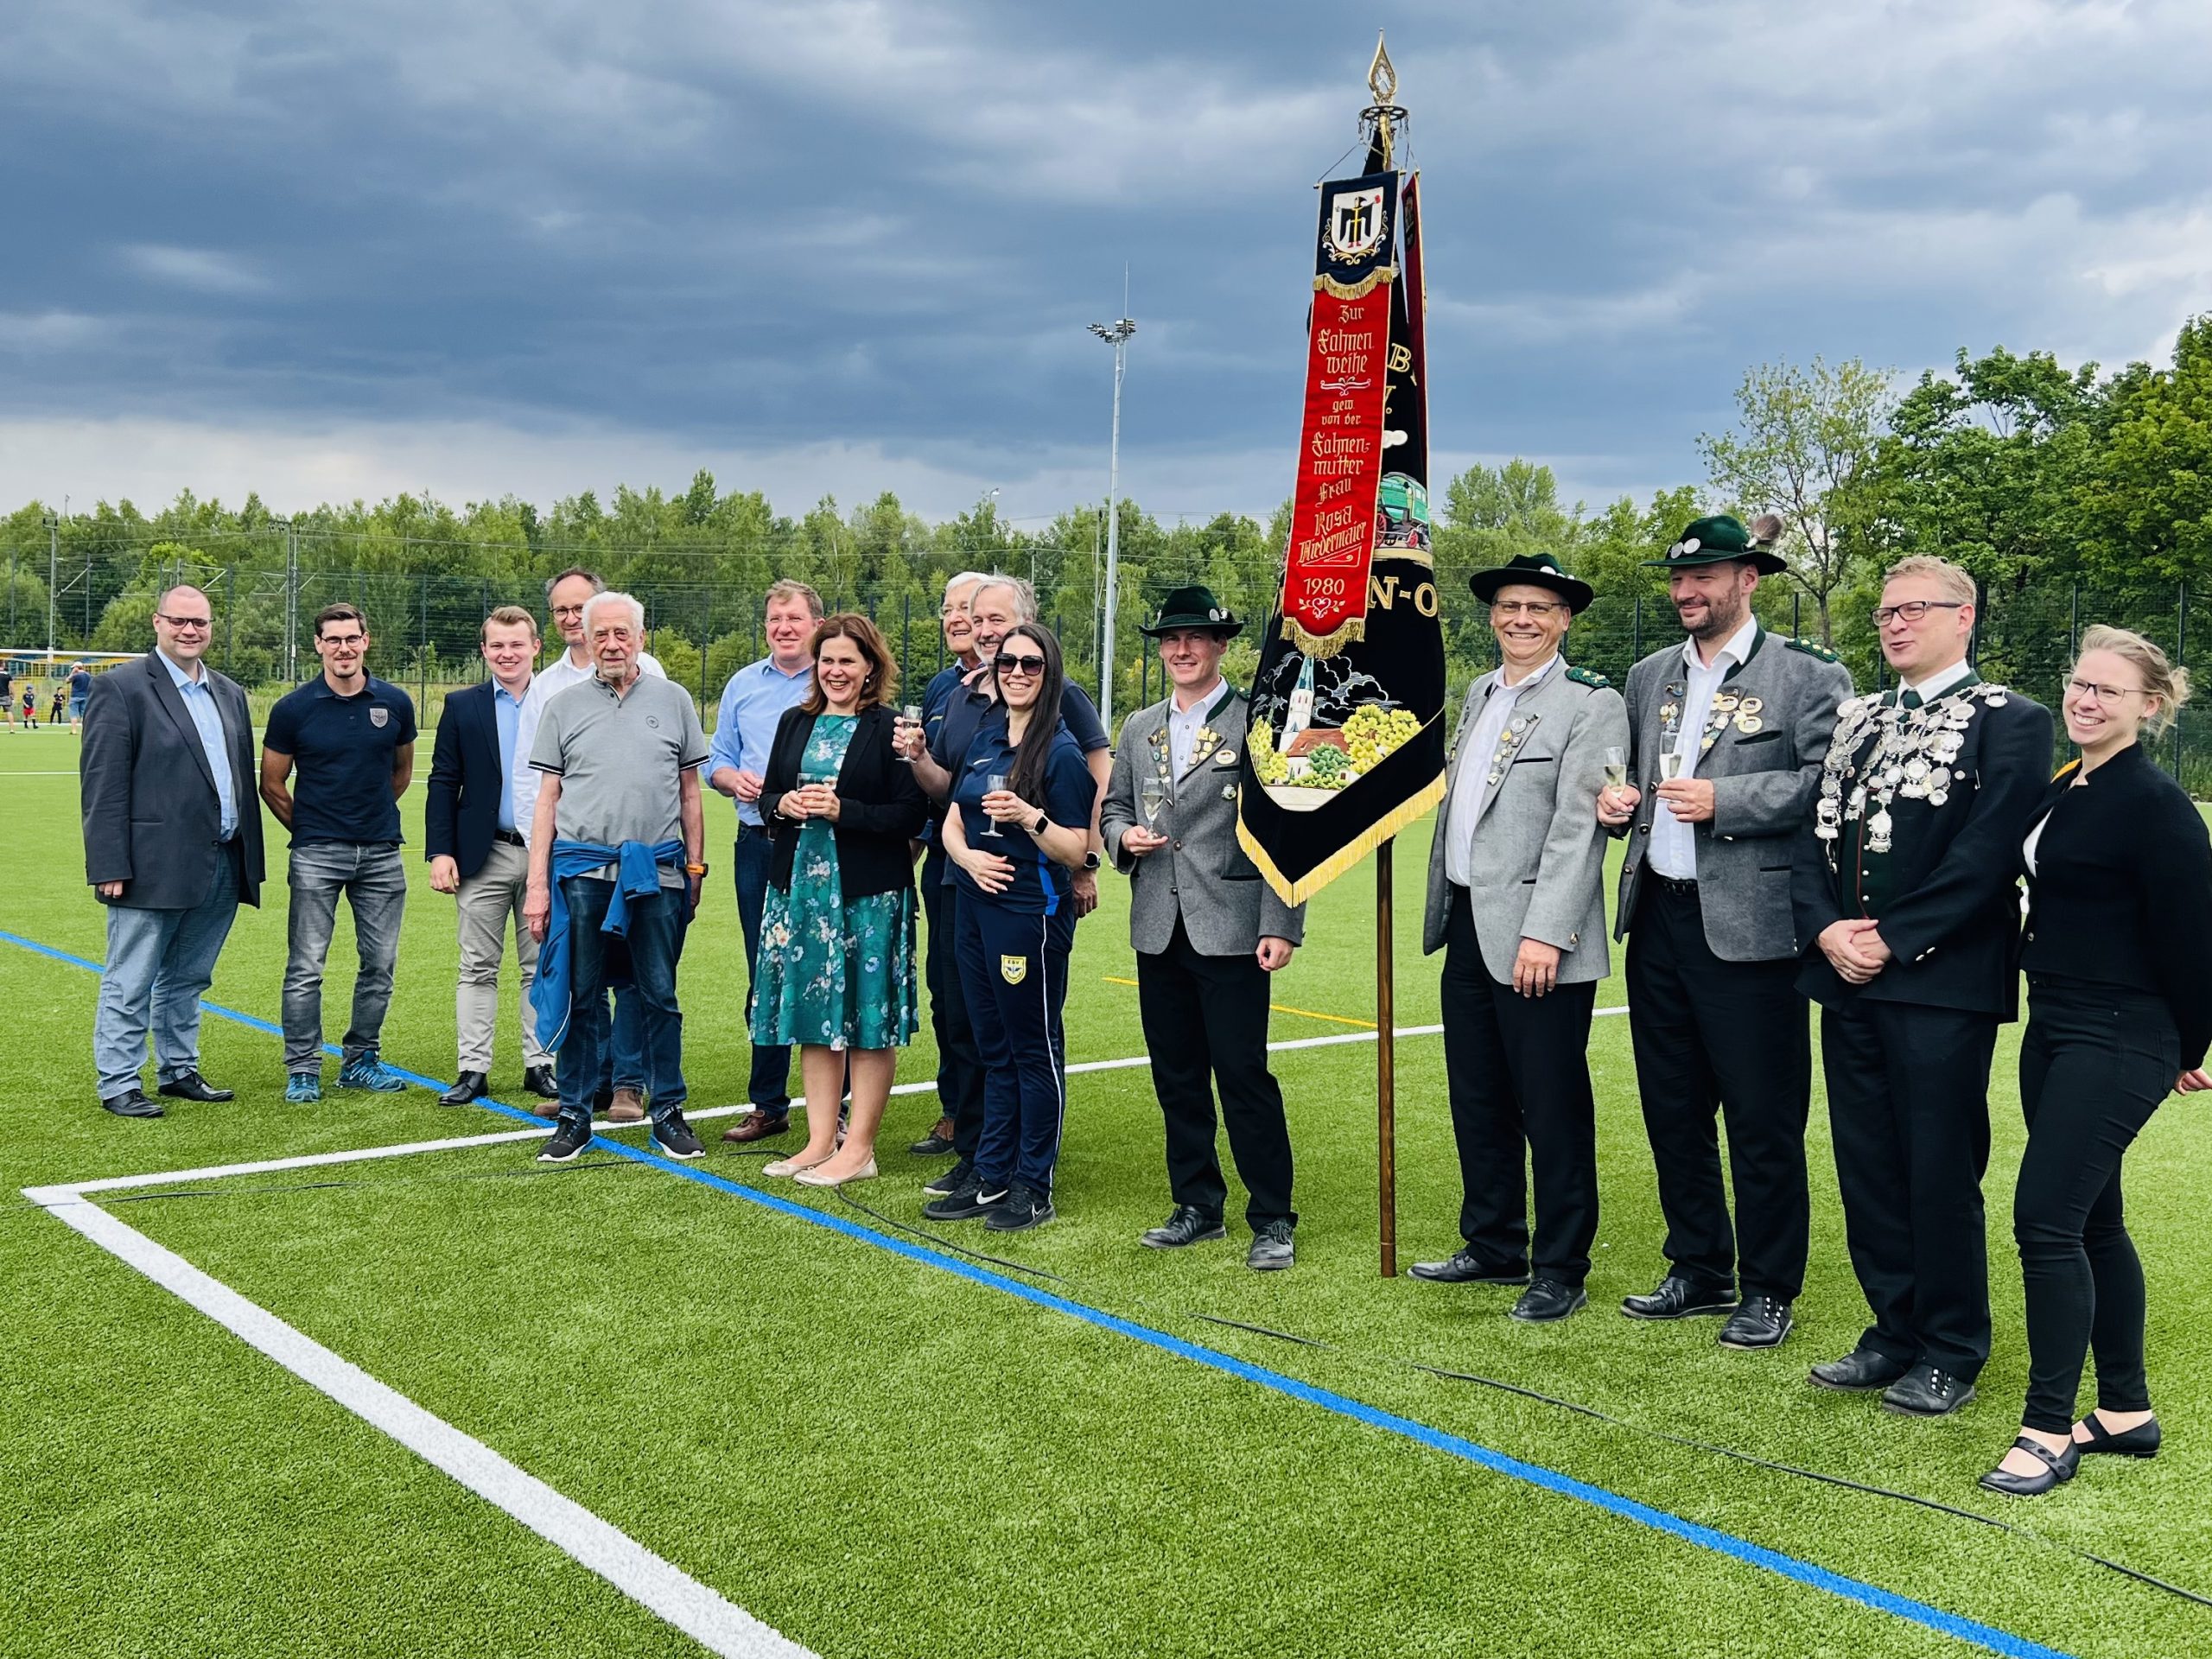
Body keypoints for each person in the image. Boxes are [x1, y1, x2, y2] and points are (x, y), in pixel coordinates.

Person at [1795, 556, 2053, 1417]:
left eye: (1913, 610)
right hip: (1847, 977)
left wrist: (1892, 940)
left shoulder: (2009, 720)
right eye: (1884, 614)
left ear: (1962, 617)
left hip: (1941, 984)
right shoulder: (1856, 717)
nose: (1895, 624)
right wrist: (1828, 928)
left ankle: (1950, 1346)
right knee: (1867, 1164)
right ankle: (1891, 1333)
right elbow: (1812, 834)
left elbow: (1986, 854)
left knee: (1938, 1168)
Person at [1597, 515, 1854, 1351]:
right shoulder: (1648, 676)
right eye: (1677, 580)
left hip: (1755, 929)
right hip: (1660, 918)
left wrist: (1731, 803)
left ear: (1749, 578)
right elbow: (1631, 781)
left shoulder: (1809, 678)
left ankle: (1770, 1287)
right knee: (1673, 1110)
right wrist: (1614, 809)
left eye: (1704, 577)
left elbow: (1831, 787)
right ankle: (1699, 1266)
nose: (1685, 593)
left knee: (1761, 1117)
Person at [1979, 629, 2212, 1495]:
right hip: (2057, 1024)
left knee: (2043, 1219)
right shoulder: (2067, 785)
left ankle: (2047, 1428)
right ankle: (2122, 1410)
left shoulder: (2154, 805)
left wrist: (2190, 1046)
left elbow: (2193, 939)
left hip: (2124, 1032)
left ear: (2149, 707)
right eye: (2078, 683)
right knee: (2091, 1221)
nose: (2084, 700)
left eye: (2107, 691)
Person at [1410, 553, 1627, 1322]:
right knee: (1479, 1096)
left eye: (1539, 607)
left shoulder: (1588, 705)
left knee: (1552, 1104)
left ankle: (1560, 1266)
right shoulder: (1479, 692)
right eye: (1509, 607)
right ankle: (1495, 1242)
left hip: (1539, 939)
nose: (1522, 619)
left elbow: (1579, 830)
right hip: (1468, 923)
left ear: (1564, 619)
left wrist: (1547, 933)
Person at [1100, 586, 1306, 1271]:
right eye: (1170, 639)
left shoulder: (1255, 721)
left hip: (1235, 927)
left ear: (1222, 645)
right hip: (1159, 924)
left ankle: (1272, 1216)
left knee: (1243, 1075)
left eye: (1195, 638)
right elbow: (1116, 807)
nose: (1182, 650)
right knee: (1177, 1076)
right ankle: (1196, 1204)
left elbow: (1286, 827)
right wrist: (1123, 836)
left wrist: (1282, 921)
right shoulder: (1138, 726)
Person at [899, 575, 1110, 1200]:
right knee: (984, 1034)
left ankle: (1031, 1177)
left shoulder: (1061, 741)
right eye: (1009, 659)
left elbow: (1079, 825)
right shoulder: (981, 723)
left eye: (1029, 661)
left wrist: (1052, 838)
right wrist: (962, 857)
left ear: (1047, 670)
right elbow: (956, 808)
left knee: (1030, 1043)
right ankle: (990, 1166)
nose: (1015, 667)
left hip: (1029, 905)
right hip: (969, 900)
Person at [524, 591, 710, 1164]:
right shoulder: (563, 706)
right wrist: (537, 886)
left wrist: (696, 868)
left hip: (657, 874)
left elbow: (689, 792)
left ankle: (669, 1112)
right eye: (599, 633)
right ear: (584, 637)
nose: (610, 643)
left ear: (640, 637)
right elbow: (547, 800)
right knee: (583, 997)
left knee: (659, 995)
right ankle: (576, 1117)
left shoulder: (674, 700)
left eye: (621, 633)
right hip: (582, 874)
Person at [750, 614, 928, 1184]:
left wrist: (842, 811)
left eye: (848, 661)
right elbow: (768, 797)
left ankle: (861, 1150)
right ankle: (820, 1141)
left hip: (867, 897)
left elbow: (911, 813)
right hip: (800, 891)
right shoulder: (793, 722)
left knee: (867, 1021)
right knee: (812, 1015)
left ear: (871, 666)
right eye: (827, 660)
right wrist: (785, 806)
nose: (836, 671)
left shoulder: (891, 728)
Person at [79, 588, 265, 1116]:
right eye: (180, 621)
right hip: (153, 863)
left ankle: (178, 1069)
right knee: (132, 975)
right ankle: (118, 1080)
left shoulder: (229, 692)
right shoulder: (120, 689)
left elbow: (235, 780)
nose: (190, 630)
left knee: (189, 976)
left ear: (211, 627)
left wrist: (249, 857)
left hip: (224, 860)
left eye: (200, 622)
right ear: (158, 623)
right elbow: (102, 785)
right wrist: (110, 863)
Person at [513, 567, 666, 1122]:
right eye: (563, 610)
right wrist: (541, 863)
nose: (575, 619)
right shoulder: (547, 687)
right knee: (583, 977)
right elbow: (534, 784)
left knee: (631, 977)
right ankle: (588, 1081)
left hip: (638, 861)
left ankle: (627, 1083)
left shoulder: (650, 675)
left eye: (584, 608)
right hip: (572, 858)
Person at [261, 603, 417, 1103]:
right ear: (318, 646)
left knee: (380, 962)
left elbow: (401, 773)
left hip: (381, 854)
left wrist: (366, 818)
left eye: (352, 638)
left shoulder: (394, 702)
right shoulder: (292, 708)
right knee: (306, 965)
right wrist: (312, 829)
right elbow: (272, 783)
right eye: (333, 640)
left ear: (366, 641)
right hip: (316, 855)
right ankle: (303, 1067)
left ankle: (361, 1060)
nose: (343, 648)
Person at [425, 606, 558, 1109]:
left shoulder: (559, 701)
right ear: (484, 651)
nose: (507, 654)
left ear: (535, 647)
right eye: (497, 646)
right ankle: (472, 1068)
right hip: (484, 854)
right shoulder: (463, 705)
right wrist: (440, 851)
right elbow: (443, 781)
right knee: (476, 966)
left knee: (539, 966)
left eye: (517, 645)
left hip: (547, 853)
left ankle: (540, 1064)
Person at [708, 581, 824, 1145]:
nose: (783, 627)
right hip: (758, 842)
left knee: (826, 971)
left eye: (794, 618)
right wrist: (733, 779)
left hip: (824, 846)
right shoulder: (743, 685)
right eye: (775, 618)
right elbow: (718, 761)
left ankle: (836, 1107)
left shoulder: (835, 679)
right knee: (767, 973)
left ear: (816, 625)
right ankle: (769, 1104)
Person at [904, 570, 990, 1157]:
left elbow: (1088, 764)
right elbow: (932, 785)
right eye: (951, 609)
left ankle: (993, 1123)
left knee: (987, 993)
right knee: (945, 989)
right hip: (943, 857)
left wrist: (1084, 864)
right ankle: (956, 1109)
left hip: (1004, 859)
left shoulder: (1032, 676)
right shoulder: (942, 689)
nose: (959, 619)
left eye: (973, 609)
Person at [69, 661, 92, 732]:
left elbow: (67, 680)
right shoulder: (88, 675)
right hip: (85, 696)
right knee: (84, 715)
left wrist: (72, 673)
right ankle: (84, 730)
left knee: (73, 714)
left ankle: (74, 730)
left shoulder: (76, 675)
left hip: (75, 696)